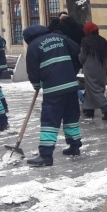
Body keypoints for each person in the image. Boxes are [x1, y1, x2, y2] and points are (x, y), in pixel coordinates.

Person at [23, 25, 83, 167]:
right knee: (71, 117)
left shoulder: (33, 46)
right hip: (71, 85)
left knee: (50, 121)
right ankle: (74, 146)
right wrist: (72, 71)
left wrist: (36, 84)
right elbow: (77, 52)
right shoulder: (61, 38)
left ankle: (45, 155)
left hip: (53, 88)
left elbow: (32, 69)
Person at [79, 22, 107, 120]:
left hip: (90, 67)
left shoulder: (85, 41)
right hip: (101, 66)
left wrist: (80, 60)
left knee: (93, 88)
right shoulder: (103, 40)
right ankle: (89, 110)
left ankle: (106, 108)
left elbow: (82, 56)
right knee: (93, 87)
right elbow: (106, 54)